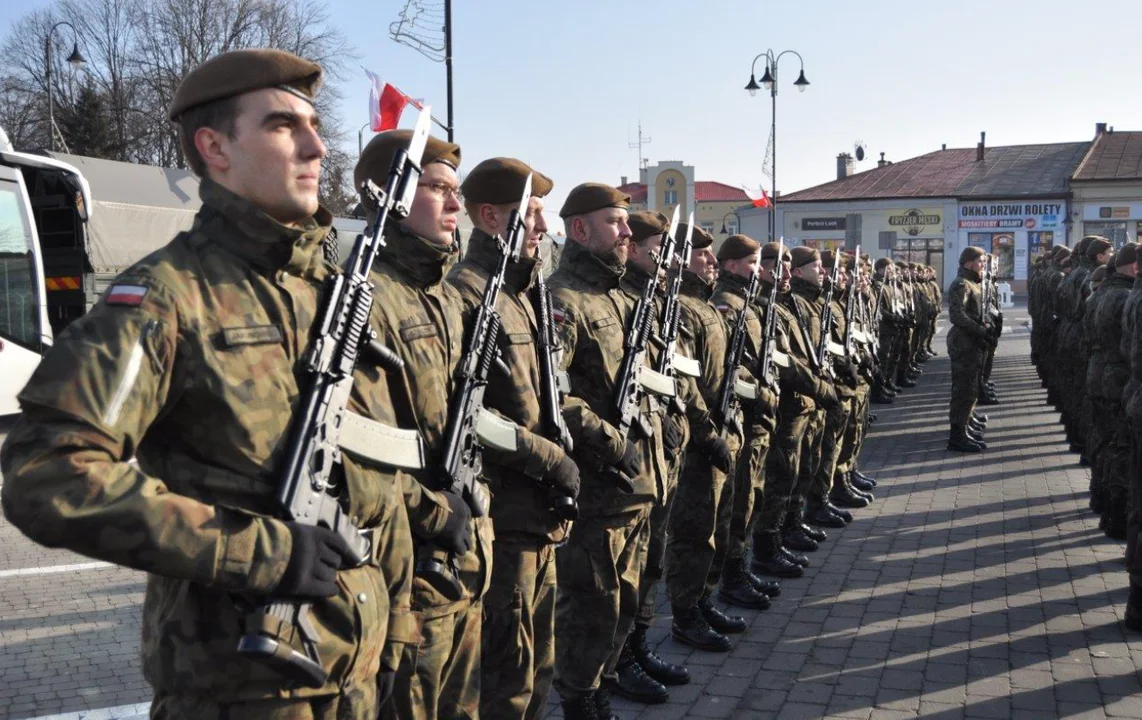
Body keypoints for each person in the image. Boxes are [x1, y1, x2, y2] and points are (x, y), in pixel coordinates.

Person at [0, 49, 416, 719]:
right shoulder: (170, 298)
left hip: (359, 677)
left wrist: (397, 629)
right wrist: (259, 551)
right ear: (214, 147)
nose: (317, 146)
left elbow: (374, 487)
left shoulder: (328, 296)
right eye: (284, 126)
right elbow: (47, 474)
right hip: (243, 691)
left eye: (314, 124)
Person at [354, 130, 490, 720]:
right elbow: (360, 452)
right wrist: (437, 510)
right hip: (407, 573)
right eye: (438, 189)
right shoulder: (369, 298)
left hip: (463, 560)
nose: (455, 205)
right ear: (389, 196)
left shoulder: (441, 297)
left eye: (454, 191)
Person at [447, 157, 580, 720]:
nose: (543, 228)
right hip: (504, 517)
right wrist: (550, 458)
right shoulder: (468, 294)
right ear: (490, 217)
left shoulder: (525, 295)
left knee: (538, 664)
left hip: (539, 512)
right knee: (506, 674)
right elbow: (468, 415)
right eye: (532, 216)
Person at [548, 183, 666, 720]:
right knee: (592, 605)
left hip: (637, 484)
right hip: (600, 487)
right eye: (616, 222)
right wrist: (609, 439)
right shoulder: (563, 298)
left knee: (625, 598)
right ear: (580, 229)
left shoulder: (620, 297)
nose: (627, 233)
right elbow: (552, 394)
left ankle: (608, 678)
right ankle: (580, 699)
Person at [664, 225, 762, 653]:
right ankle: (685, 615)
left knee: (717, 528)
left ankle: (703, 600)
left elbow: (724, 369)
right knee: (693, 534)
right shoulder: (683, 308)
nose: (708, 259)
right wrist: (707, 434)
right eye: (699, 253)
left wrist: (748, 385)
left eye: (709, 253)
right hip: (699, 444)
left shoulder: (705, 304)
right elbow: (685, 386)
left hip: (725, 428)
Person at [946, 246, 991, 453]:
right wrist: (980, 330)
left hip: (972, 342)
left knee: (971, 389)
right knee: (963, 391)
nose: (983, 265)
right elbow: (957, 315)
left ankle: (964, 429)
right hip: (964, 342)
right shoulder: (961, 284)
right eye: (980, 261)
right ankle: (956, 436)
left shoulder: (974, 283)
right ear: (968, 263)